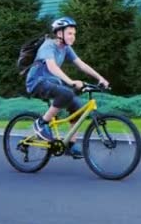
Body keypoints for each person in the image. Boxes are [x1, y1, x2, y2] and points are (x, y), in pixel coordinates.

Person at [25, 16, 109, 158]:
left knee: (77, 106)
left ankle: (70, 144)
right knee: (67, 94)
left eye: (74, 34)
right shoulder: (48, 45)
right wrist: (70, 82)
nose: (73, 36)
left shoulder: (66, 48)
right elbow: (52, 67)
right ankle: (41, 123)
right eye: (70, 33)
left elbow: (81, 64)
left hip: (52, 83)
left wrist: (100, 78)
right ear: (59, 33)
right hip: (37, 82)